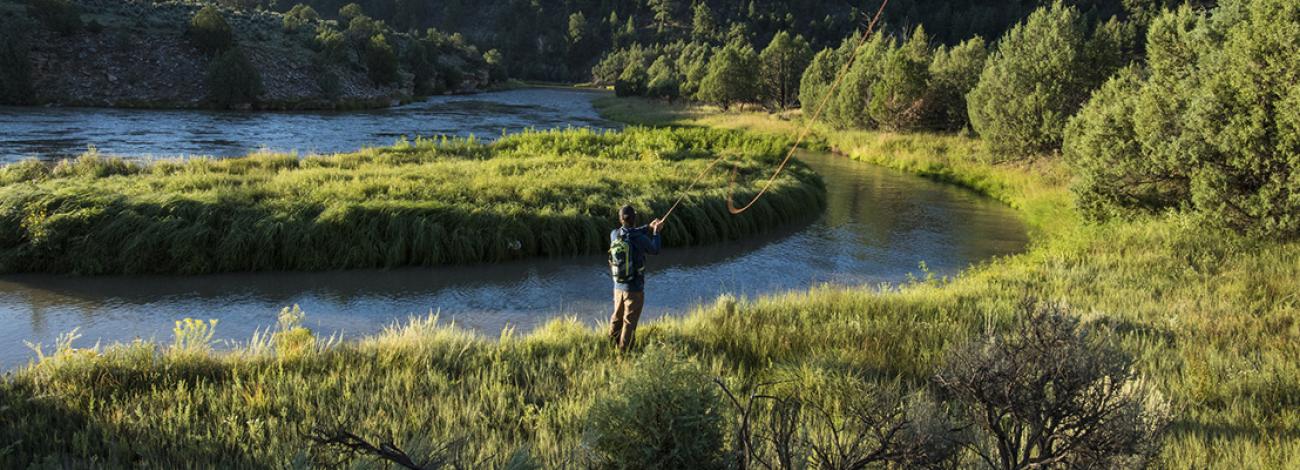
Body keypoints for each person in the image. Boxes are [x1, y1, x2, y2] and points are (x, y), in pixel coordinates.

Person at [608, 204, 664, 351]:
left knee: (617, 317)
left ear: (620, 219)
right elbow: (655, 250)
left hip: (618, 286)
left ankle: (611, 345)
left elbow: (629, 233)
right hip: (634, 289)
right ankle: (623, 354)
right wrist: (656, 233)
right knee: (629, 322)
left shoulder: (614, 234)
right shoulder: (640, 239)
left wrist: (648, 227)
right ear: (634, 219)